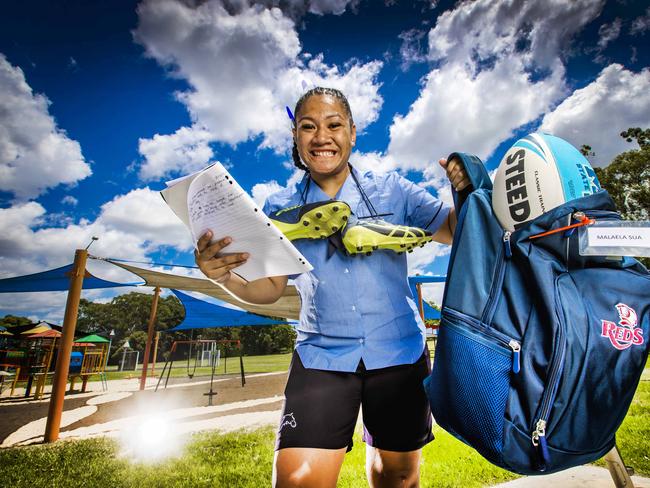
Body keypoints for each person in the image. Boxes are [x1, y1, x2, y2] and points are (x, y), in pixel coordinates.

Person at [195, 87, 469, 487]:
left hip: (397, 351)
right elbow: (270, 288)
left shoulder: (393, 190)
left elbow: (452, 230)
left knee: (397, 477)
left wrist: (463, 191)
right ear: (296, 136)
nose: (321, 137)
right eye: (308, 126)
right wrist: (220, 275)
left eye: (333, 125)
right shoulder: (277, 207)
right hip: (321, 356)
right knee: (297, 481)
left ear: (352, 132)